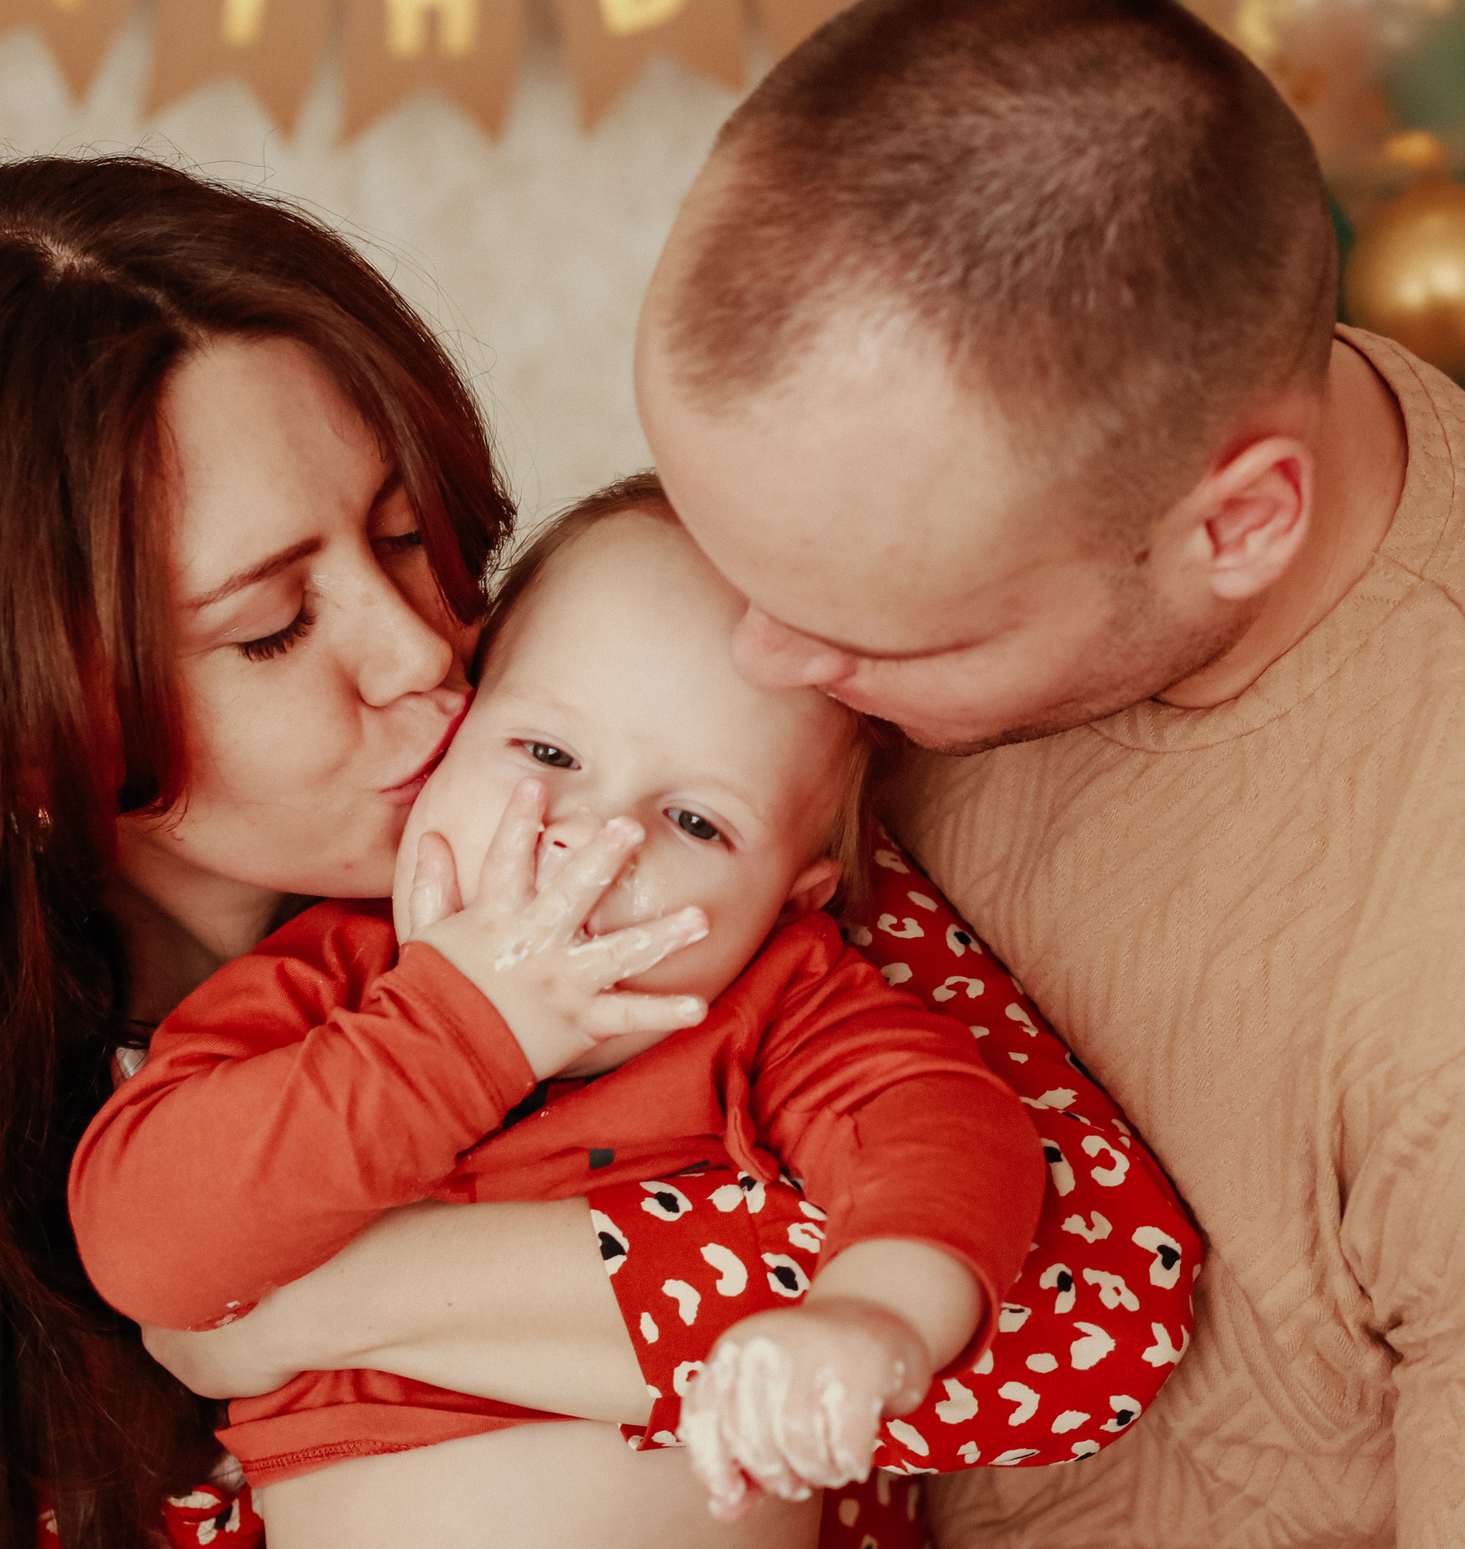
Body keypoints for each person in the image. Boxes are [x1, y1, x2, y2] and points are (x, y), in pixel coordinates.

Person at [0, 155, 1194, 1549]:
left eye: (409, 538)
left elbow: (1091, 1308)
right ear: (20, 735)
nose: (424, 652)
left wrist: (314, 1305)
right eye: (270, 626)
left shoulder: (685, 821)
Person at [610, 0, 1465, 1549]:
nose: (761, 662)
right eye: (727, 553)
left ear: (1239, 522)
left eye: (885, 640)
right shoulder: (972, 486)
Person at [69, 477, 1050, 1545]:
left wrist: (874, 1312)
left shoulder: (774, 1006)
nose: (595, 832)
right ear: (443, 748)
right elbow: (143, 1244)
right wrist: (456, 1027)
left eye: (694, 820)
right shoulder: (327, 987)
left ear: (788, 898)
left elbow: (945, 1132)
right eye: (546, 754)